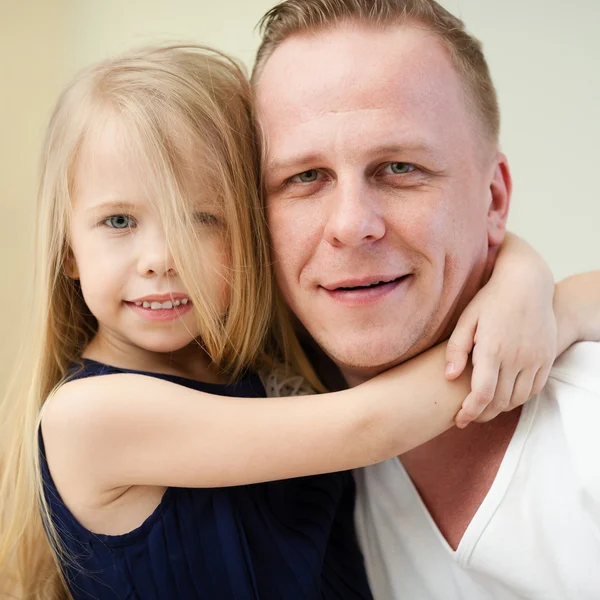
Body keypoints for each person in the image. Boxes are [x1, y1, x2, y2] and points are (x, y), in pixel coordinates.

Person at [0, 42, 571, 600]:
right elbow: (370, 426)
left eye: (202, 219)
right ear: (67, 249)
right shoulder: (90, 417)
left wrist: (524, 280)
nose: (162, 259)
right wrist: (537, 313)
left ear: (251, 231)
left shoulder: (274, 361)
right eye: (120, 221)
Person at [252, 0, 600, 598]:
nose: (351, 225)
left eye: (398, 167)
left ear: (493, 200)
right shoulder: (277, 470)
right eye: (303, 178)